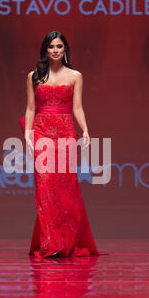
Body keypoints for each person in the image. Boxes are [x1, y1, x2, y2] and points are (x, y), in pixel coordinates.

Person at [22, 31, 102, 258]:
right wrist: (27, 135)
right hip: (41, 132)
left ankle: (66, 242)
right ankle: (51, 243)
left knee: (66, 188)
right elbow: (30, 108)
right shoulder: (33, 76)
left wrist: (85, 130)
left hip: (66, 132)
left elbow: (77, 107)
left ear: (65, 48)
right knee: (45, 189)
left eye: (59, 46)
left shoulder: (76, 75)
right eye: (51, 46)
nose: (55, 50)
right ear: (45, 50)